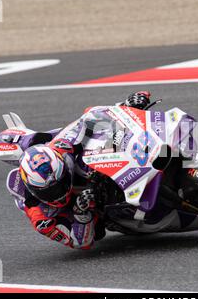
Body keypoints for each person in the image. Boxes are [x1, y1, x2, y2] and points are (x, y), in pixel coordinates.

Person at [18, 91, 152, 249]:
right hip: (78, 215)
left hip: (84, 175)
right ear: (34, 190)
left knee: (94, 147)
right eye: (50, 191)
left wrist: (127, 106)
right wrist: (80, 212)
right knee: (98, 232)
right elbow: (78, 242)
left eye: (60, 184)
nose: (59, 193)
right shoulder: (41, 219)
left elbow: (92, 118)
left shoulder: (62, 146)